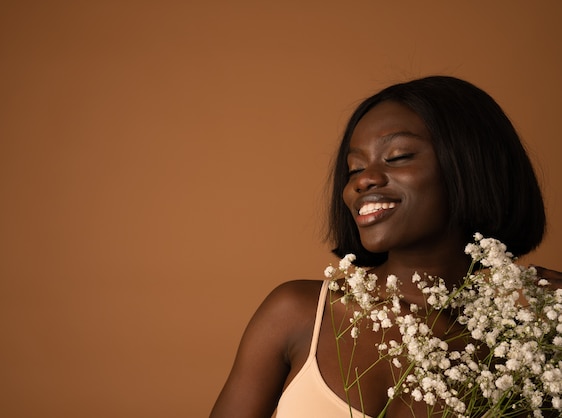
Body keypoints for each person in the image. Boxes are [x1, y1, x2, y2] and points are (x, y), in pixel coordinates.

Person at [209, 76, 562, 418]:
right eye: (354, 168)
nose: (363, 180)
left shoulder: (525, 347)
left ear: (472, 166)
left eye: (398, 156)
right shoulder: (298, 313)